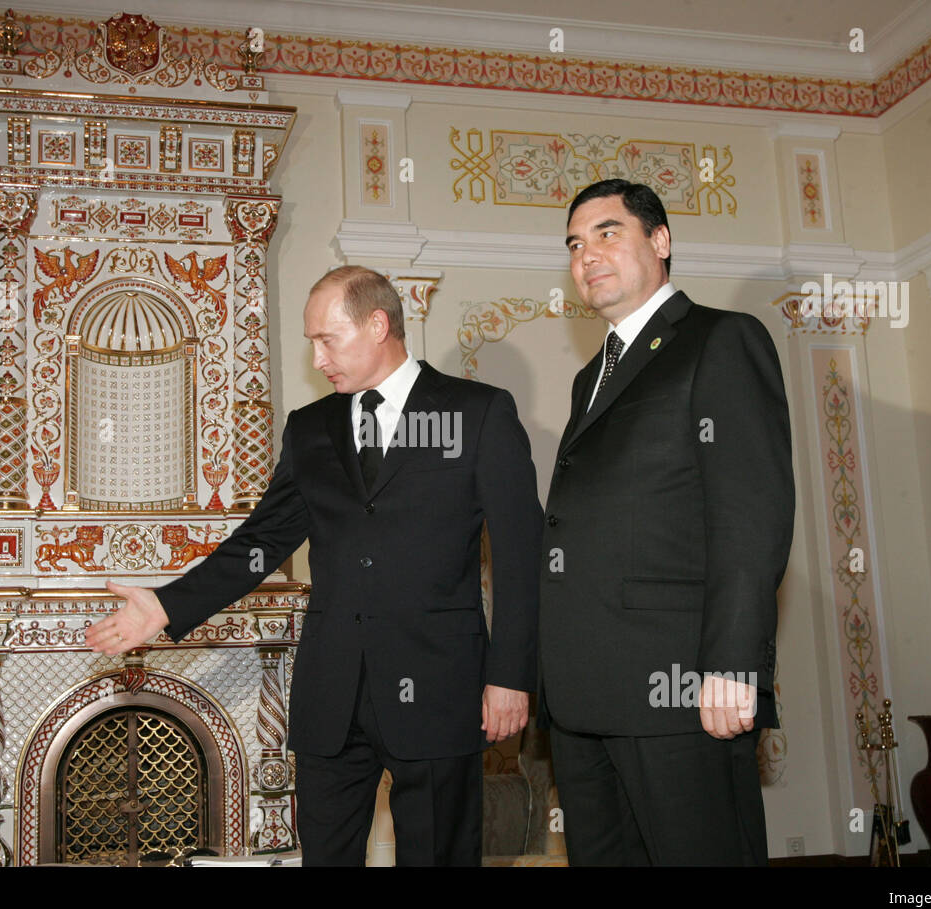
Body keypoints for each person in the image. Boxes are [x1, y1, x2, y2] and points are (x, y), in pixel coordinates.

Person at [85, 265, 543, 866]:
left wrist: (509, 676)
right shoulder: (310, 428)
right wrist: (171, 604)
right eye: (312, 344)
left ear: (378, 324)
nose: (319, 357)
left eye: (328, 339)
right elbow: (263, 540)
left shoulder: (477, 412)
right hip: (332, 695)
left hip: (439, 687)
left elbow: (521, 554)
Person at [539, 179, 794, 865]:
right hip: (583, 698)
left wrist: (734, 664)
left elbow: (751, 511)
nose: (586, 255)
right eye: (574, 244)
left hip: (680, 688)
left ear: (660, 241)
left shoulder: (721, 339)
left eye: (607, 232)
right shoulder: (590, 374)